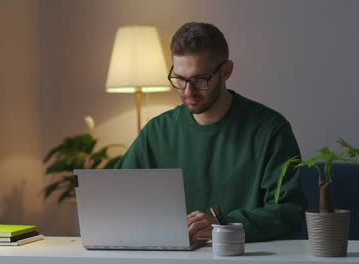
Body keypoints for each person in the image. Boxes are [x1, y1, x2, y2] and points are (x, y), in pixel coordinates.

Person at [115, 22, 306, 242]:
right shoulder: (157, 131)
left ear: (226, 72)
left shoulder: (271, 129)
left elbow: (290, 214)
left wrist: (223, 224)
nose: (188, 91)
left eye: (200, 79)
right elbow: (117, 199)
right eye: (180, 79)